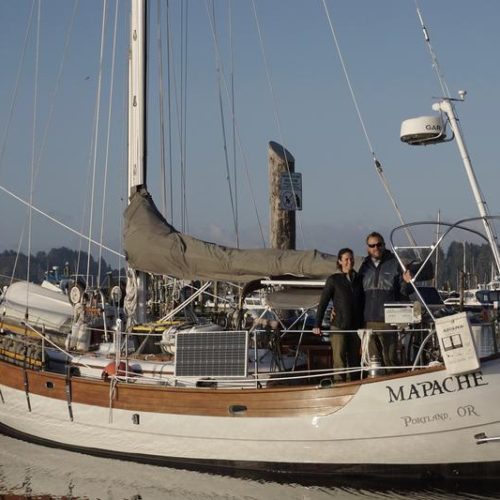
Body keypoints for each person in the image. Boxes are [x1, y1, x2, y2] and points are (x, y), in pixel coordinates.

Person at [358, 231, 412, 370]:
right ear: (367, 248)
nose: (376, 247)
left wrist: (407, 282)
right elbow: (356, 294)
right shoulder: (363, 266)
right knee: (373, 361)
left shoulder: (395, 263)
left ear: (384, 245)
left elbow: (404, 292)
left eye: (379, 244)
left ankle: (394, 384)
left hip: (388, 321)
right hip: (368, 321)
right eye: (372, 245)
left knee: (390, 359)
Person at [312, 248, 364, 382]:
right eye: (346, 259)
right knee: (339, 359)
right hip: (339, 325)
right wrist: (317, 324)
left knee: (355, 359)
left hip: (355, 326)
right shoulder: (333, 280)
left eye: (351, 259)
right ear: (340, 261)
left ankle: (354, 384)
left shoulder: (359, 279)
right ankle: (340, 384)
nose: (349, 262)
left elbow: (364, 301)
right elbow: (323, 302)